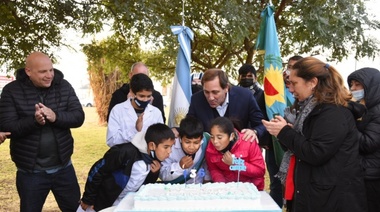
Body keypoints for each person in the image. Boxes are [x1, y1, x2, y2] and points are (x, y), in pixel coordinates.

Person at [262, 57, 367, 212]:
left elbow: (316, 153)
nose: (290, 89)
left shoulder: (333, 112)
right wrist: (284, 132)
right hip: (316, 192)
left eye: (294, 83)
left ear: (312, 82)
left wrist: (285, 132)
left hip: (332, 198)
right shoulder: (311, 108)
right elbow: (300, 148)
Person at [0, 52, 85, 212]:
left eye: (51, 70)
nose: (49, 75)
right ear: (28, 71)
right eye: (43, 72)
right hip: (30, 172)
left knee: (75, 209)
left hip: (64, 167)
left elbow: (78, 117)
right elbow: (7, 126)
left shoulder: (63, 86)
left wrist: (55, 116)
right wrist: (34, 121)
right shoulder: (12, 91)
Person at [78, 123, 175, 211]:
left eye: (171, 147)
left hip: (125, 205)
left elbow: (145, 186)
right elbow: (97, 171)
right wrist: (88, 199)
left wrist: (154, 173)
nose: (169, 151)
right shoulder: (125, 152)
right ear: (152, 145)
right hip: (101, 203)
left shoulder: (155, 159)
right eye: (166, 147)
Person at [237, 63, 282, 207]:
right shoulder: (234, 92)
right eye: (243, 76)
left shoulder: (263, 94)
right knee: (239, 171)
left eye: (249, 76)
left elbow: (266, 117)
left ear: (256, 77)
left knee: (260, 171)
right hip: (239, 138)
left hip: (259, 138)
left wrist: (264, 138)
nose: (246, 78)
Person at [187, 68, 265, 142]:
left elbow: (261, 125)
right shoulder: (196, 99)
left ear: (226, 88)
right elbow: (189, 126)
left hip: (239, 151)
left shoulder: (245, 97)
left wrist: (254, 131)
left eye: (215, 92)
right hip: (209, 152)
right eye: (206, 92)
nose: (210, 98)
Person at [348, 67, 380, 212]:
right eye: (351, 85)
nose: (353, 88)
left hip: (372, 176)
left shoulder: (377, 111)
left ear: (371, 85)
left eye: (357, 84)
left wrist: (347, 124)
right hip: (363, 172)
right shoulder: (365, 107)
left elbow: (368, 143)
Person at [205, 116, 265, 190]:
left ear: (231, 136)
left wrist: (235, 163)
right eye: (212, 137)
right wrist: (222, 186)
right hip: (227, 190)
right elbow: (213, 169)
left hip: (251, 189)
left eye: (219, 137)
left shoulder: (248, 142)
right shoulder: (210, 148)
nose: (215, 141)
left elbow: (259, 171)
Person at [107, 73, 163, 147]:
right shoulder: (118, 110)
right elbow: (111, 141)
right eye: (141, 96)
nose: (145, 100)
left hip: (147, 157)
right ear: (131, 92)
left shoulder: (156, 112)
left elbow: (161, 139)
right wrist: (135, 130)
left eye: (148, 96)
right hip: (124, 156)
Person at [160, 116, 211, 184]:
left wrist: (207, 180)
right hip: (176, 188)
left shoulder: (206, 142)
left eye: (196, 142)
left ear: (201, 139)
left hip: (198, 185)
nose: (191, 147)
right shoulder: (171, 148)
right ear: (180, 138)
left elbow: (207, 162)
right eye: (187, 142)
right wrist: (179, 166)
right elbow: (162, 175)